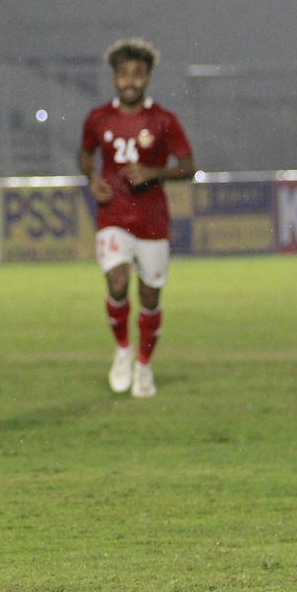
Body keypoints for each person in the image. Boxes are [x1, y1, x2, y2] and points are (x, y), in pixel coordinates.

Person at [78, 38, 195, 398]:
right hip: (113, 213)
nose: (131, 81)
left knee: (149, 297)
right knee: (116, 282)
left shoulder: (163, 120)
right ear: (114, 78)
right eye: (124, 74)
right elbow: (85, 154)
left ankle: (144, 366)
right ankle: (123, 351)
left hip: (152, 221)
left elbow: (189, 167)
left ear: (147, 78)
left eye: (138, 75)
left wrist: (154, 172)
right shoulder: (99, 118)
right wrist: (92, 178)